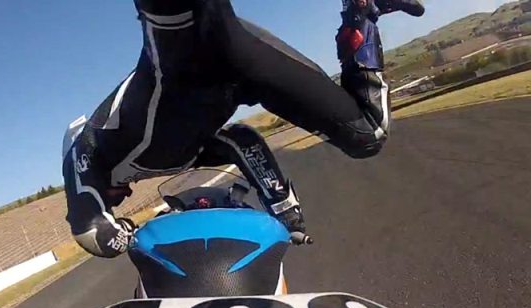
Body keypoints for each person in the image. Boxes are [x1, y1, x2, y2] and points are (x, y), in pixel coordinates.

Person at [62, 0, 425, 258]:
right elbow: (240, 141)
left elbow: (92, 231)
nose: (119, 200)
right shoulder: (161, 161)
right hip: (242, 64)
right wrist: (285, 211)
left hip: (186, 49)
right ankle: (362, 10)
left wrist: (128, 236)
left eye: (111, 201)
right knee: (369, 134)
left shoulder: (90, 147)